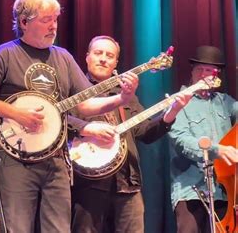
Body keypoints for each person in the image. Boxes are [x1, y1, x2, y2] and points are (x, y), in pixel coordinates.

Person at [0, 0, 139, 233]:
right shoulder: (6, 53)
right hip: (16, 158)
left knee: (58, 229)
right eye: (46, 20)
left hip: (57, 159)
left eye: (55, 19)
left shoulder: (63, 57)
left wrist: (122, 98)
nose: (54, 26)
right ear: (24, 22)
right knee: (17, 228)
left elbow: (84, 106)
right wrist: (17, 114)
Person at [69, 35, 191, 233]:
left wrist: (172, 112)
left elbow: (144, 132)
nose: (103, 59)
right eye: (98, 53)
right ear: (87, 57)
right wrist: (86, 128)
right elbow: (62, 123)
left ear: (116, 63)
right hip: (88, 184)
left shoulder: (125, 94)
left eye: (109, 55)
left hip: (127, 182)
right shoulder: (74, 91)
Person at [168, 45, 238, 232]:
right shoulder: (178, 101)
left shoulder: (225, 101)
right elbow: (181, 140)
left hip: (224, 191)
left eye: (210, 70)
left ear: (217, 76)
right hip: (191, 189)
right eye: (200, 69)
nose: (204, 74)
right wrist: (216, 150)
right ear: (192, 71)